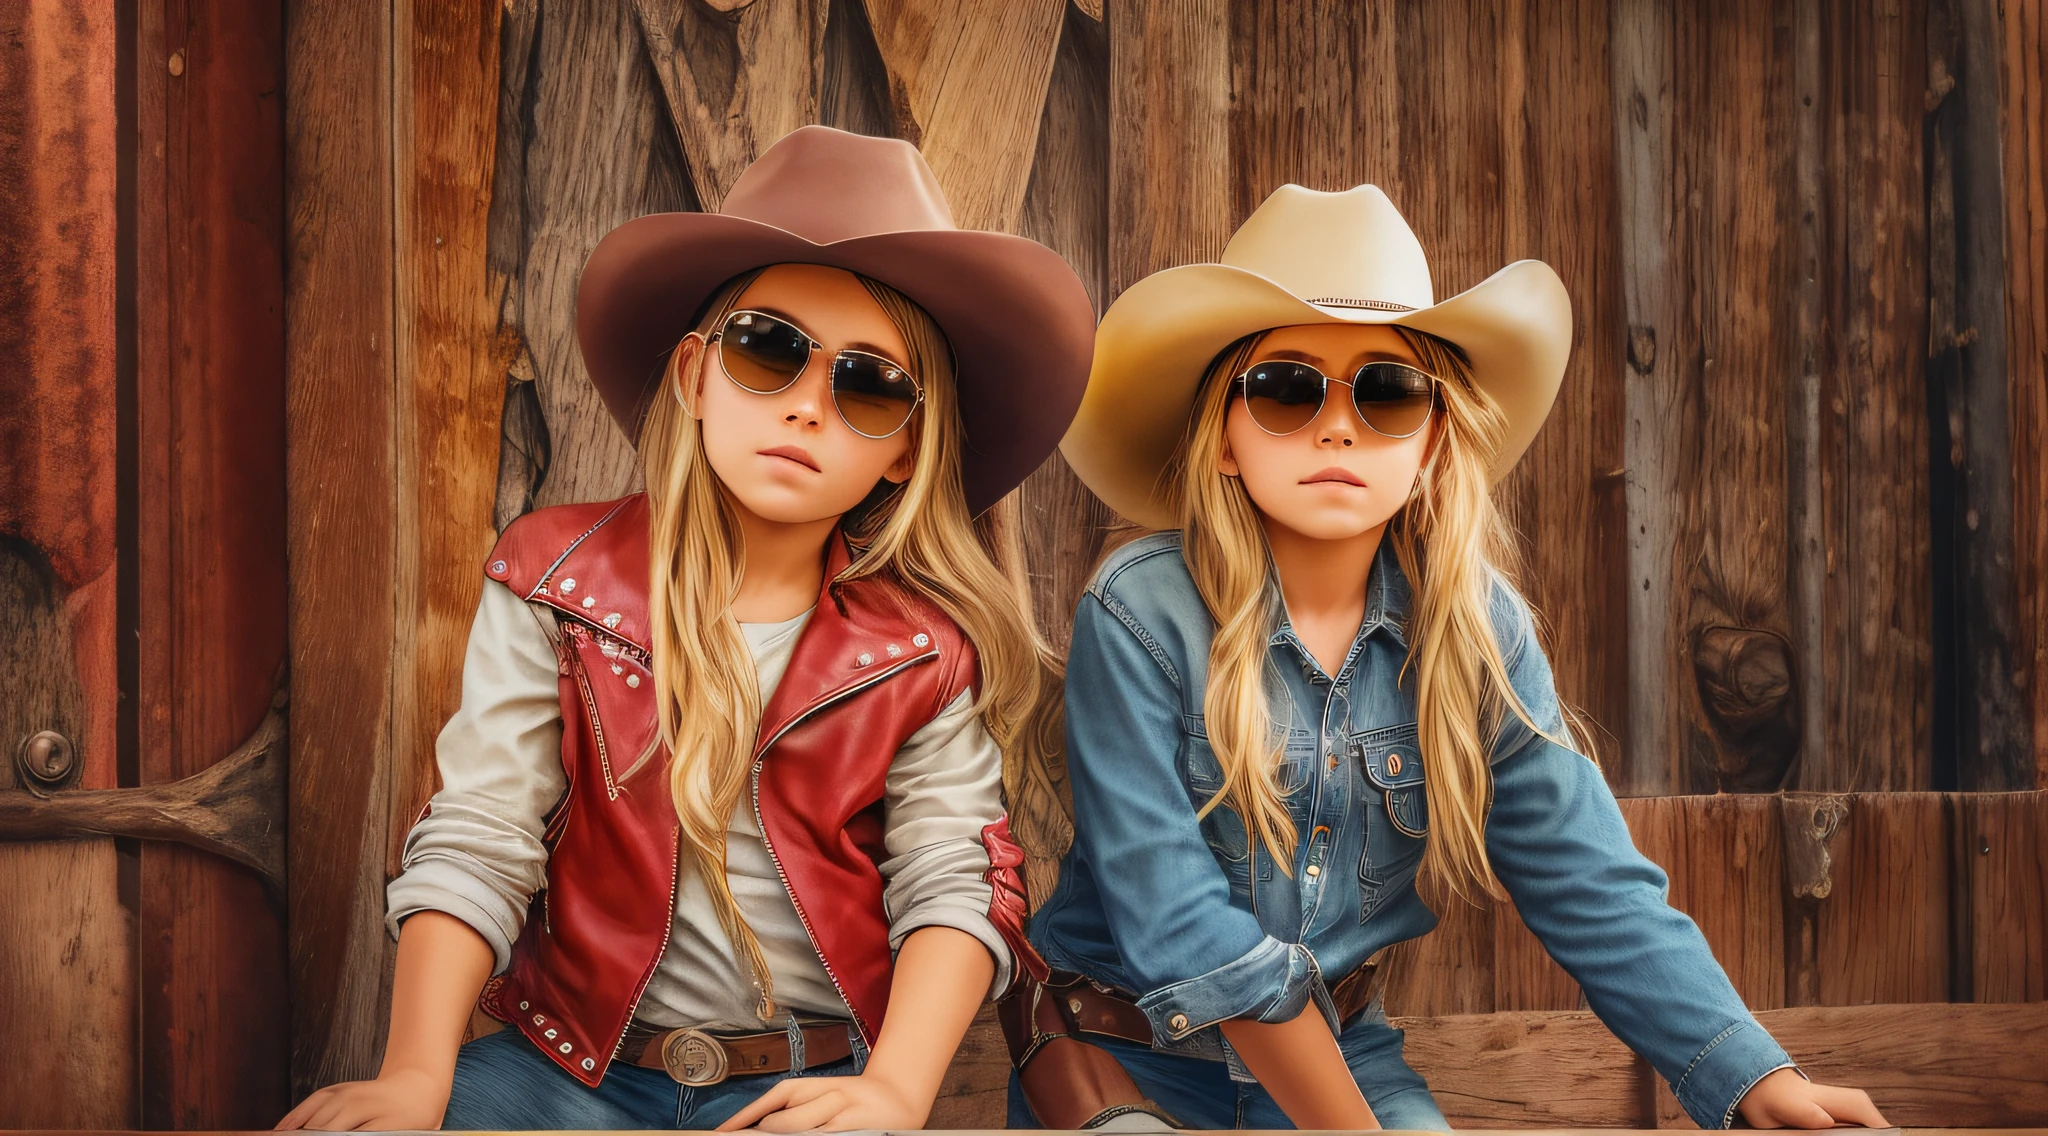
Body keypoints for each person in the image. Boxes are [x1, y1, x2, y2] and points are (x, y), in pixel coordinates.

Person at [1010, 183, 1889, 1131]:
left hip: (1343, 1059)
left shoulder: (1475, 631)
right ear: (1223, 435)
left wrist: (1752, 1075)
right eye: (1286, 389)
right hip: (1126, 1060)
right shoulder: (1139, 614)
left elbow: (1586, 876)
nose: (1337, 425)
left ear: (1432, 441)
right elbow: (1174, 921)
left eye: (1387, 392)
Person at [277, 125, 1092, 1132]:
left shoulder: (919, 652)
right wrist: (413, 1074)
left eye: (867, 385)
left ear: (903, 450)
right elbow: (483, 832)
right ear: (694, 375)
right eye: (768, 351)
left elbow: (953, 882)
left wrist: (891, 1091)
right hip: (564, 1074)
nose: (805, 406)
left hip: (802, 1084)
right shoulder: (555, 578)